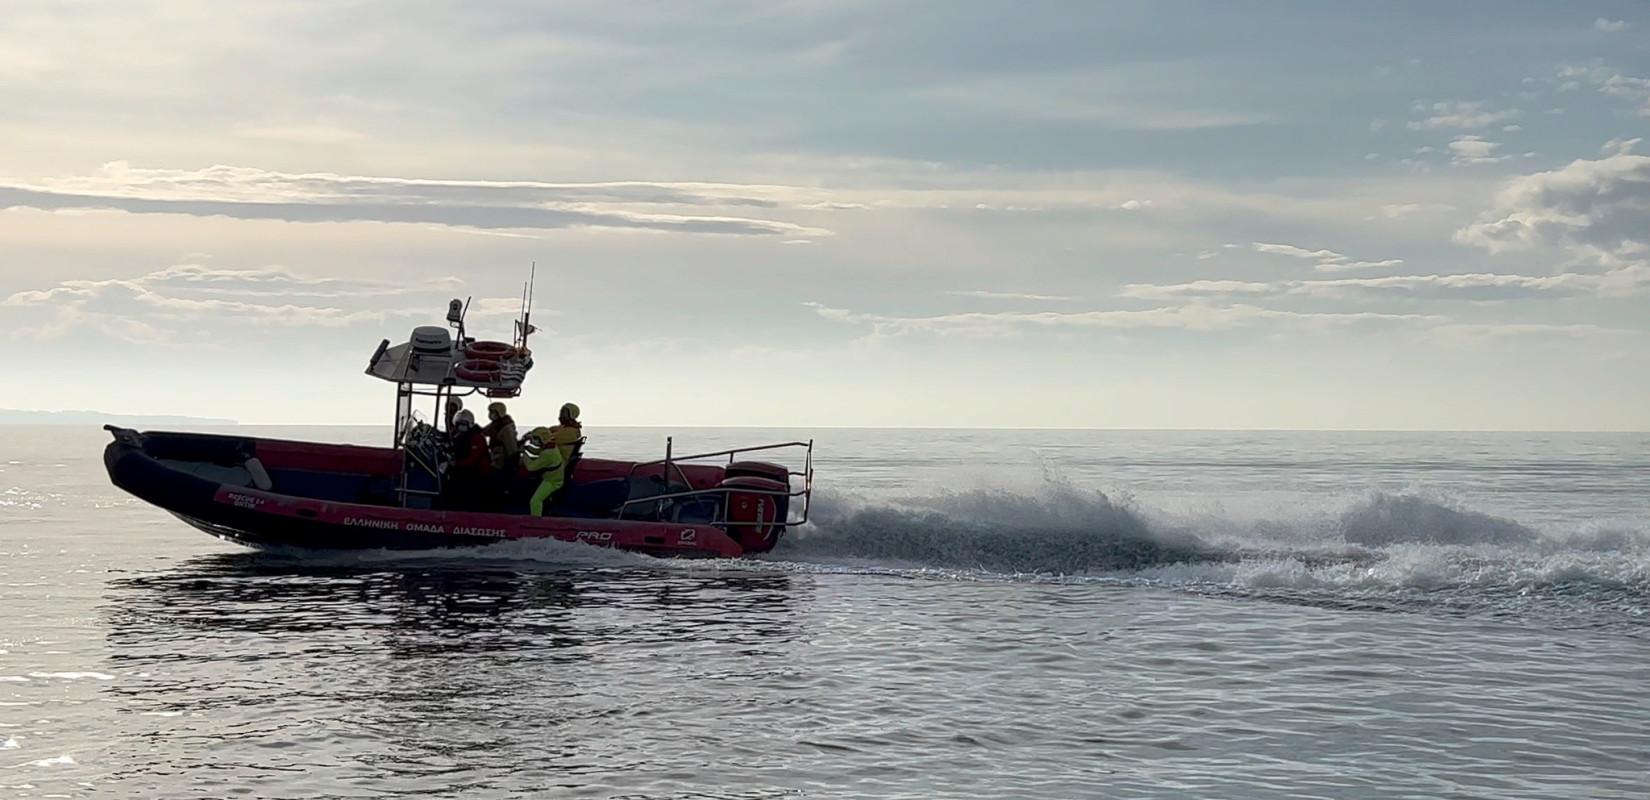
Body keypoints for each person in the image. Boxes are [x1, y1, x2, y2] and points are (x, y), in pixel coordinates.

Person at [445, 410, 491, 509]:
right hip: (467, 468)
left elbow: (473, 458)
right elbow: (457, 446)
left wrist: (455, 463)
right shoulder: (461, 435)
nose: (461, 426)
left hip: (476, 472)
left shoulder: (476, 437)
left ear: (470, 424)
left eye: (463, 424)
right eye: (459, 424)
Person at [523, 426, 565, 516]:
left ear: (541, 439)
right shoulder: (550, 447)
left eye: (534, 438)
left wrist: (524, 455)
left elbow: (531, 467)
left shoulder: (548, 453)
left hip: (553, 482)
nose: (532, 440)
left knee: (535, 500)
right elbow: (538, 451)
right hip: (552, 477)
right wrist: (526, 448)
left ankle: (536, 520)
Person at [482, 401, 518, 473]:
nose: (490, 414)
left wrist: (512, 463)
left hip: (502, 460)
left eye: (493, 412)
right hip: (495, 456)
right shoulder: (495, 424)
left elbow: (512, 447)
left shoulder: (506, 428)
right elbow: (485, 431)